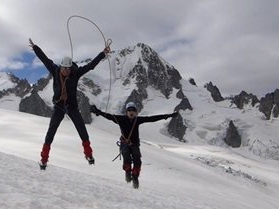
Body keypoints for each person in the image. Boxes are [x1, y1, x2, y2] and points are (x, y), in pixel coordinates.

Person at [29, 38, 110, 170]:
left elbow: (90, 66)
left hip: (72, 106)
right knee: (51, 132)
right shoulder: (55, 70)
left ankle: (89, 155)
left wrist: (103, 53)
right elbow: (45, 59)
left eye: (68, 69)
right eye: (64, 69)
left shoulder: (75, 73)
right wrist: (35, 48)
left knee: (81, 129)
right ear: (60, 67)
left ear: (71, 68)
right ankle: (44, 159)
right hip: (59, 106)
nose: (66, 71)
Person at [90, 102, 178, 189]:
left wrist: (167, 116)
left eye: (133, 110)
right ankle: (128, 173)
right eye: (129, 110)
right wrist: (99, 112)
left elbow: (152, 118)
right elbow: (109, 116)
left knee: (137, 161)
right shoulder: (121, 119)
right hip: (126, 143)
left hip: (134, 144)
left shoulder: (137, 120)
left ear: (136, 112)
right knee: (127, 158)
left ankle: (135, 177)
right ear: (126, 112)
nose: (131, 112)